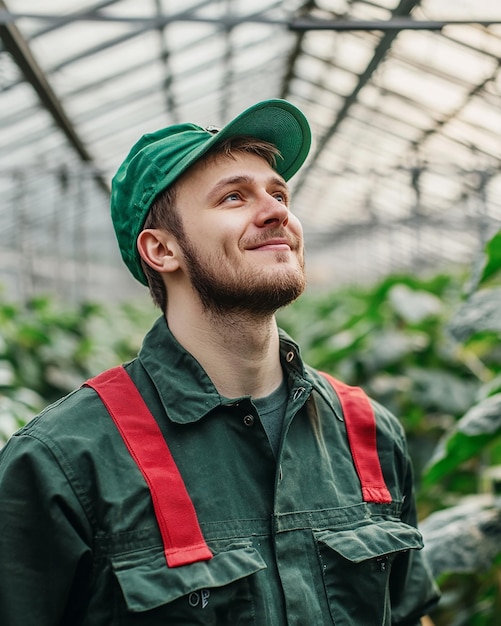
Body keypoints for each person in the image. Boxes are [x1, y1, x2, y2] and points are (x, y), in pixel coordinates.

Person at [0, 99, 440, 625]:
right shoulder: (66, 462)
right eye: (234, 196)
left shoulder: (368, 431)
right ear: (162, 250)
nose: (277, 209)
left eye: (279, 193)